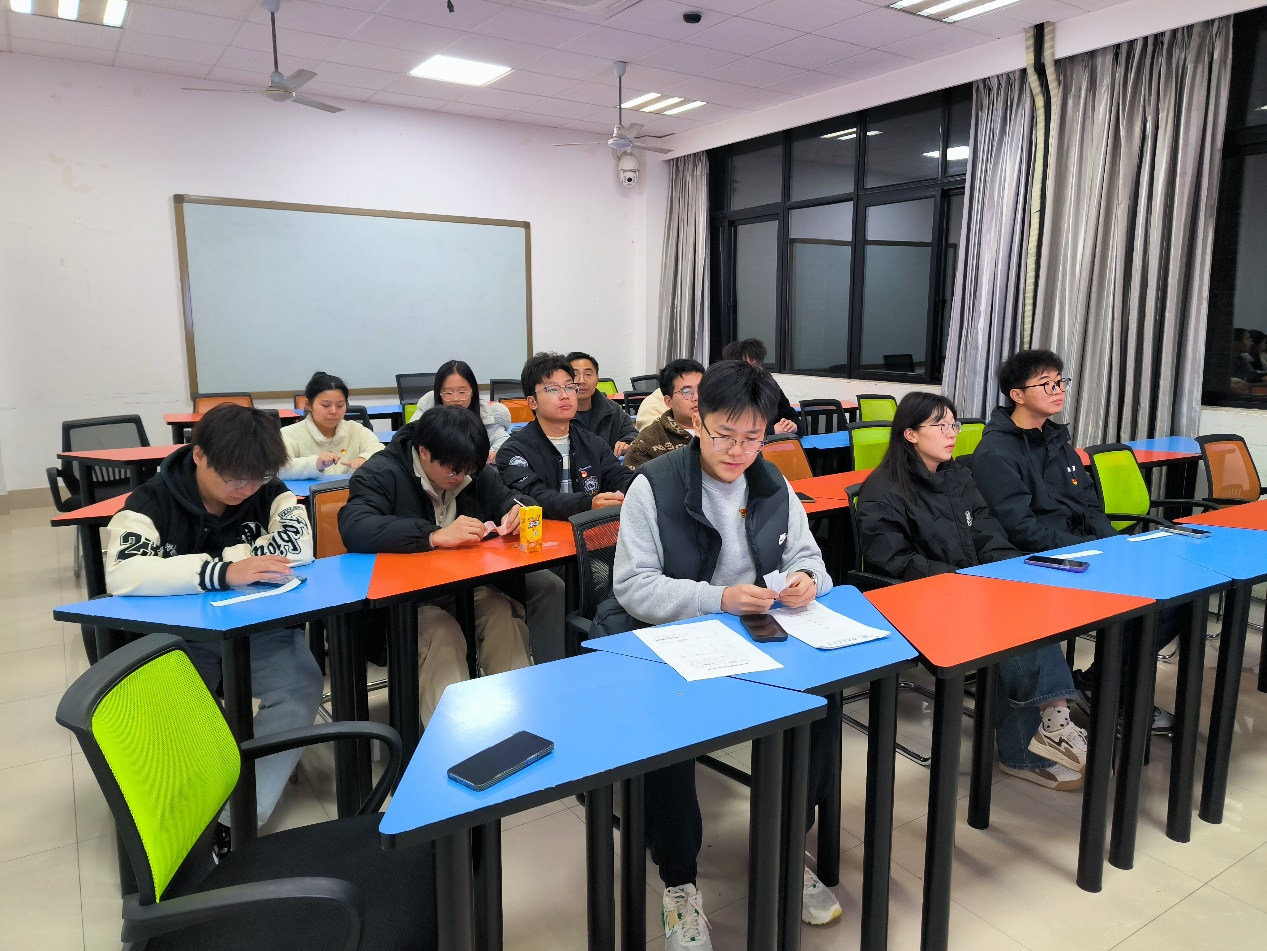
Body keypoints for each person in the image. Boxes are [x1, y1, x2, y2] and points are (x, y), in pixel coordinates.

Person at [595, 359, 842, 949]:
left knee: (821, 708)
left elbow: (809, 557)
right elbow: (633, 586)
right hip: (678, 633)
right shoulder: (653, 485)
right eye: (724, 434)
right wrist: (718, 598)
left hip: (757, 631)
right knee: (667, 733)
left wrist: (807, 580)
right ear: (697, 423)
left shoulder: (772, 482)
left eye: (752, 437)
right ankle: (679, 881)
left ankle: (787, 845)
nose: (738, 451)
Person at [104, 403, 323, 847]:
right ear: (200, 455)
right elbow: (123, 573)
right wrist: (221, 572)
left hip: (261, 631)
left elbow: (299, 547)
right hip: (183, 638)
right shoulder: (151, 501)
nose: (246, 490)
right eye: (234, 479)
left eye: (257, 478)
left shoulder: (269, 488)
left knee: (301, 685)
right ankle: (188, 810)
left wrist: (213, 564)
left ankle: (234, 820)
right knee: (177, 704)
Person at [858, 393, 1088, 790]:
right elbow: (894, 561)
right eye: (941, 426)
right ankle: (1043, 732)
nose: (952, 434)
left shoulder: (958, 476)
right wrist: (961, 580)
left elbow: (988, 533)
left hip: (969, 588)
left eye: (954, 425)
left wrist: (1006, 573)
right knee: (1010, 623)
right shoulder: (883, 490)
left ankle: (1048, 727)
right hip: (917, 598)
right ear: (910, 434)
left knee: (1027, 606)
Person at [972, 349, 1174, 732]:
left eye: (1060, 381)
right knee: (1151, 602)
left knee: (1175, 597)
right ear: (1017, 394)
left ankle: (1102, 683)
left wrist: (1115, 546)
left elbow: (1090, 505)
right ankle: (1111, 693)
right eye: (1046, 384)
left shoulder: (1056, 440)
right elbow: (1022, 529)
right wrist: (1091, 553)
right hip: (1037, 560)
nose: (1058, 390)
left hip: (1080, 552)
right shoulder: (995, 452)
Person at [339, 406, 563, 719]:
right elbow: (355, 527)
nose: (460, 477)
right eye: (452, 471)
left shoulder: (468, 467)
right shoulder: (381, 472)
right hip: (403, 598)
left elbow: (508, 498)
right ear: (424, 452)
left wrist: (519, 509)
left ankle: (520, 720)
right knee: (441, 632)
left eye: (467, 470)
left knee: (501, 613)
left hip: (460, 586)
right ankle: (453, 737)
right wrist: (433, 535)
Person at [496, 352, 635, 519]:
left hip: (590, 532)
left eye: (569, 387)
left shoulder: (594, 444)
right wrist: (587, 504)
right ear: (532, 402)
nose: (565, 395)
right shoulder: (513, 451)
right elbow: (534, 497)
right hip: (541, 532)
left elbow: (620, 478)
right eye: (553, 389)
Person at [281, 371, 383, 479]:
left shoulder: (356, 430)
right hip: (309, 491)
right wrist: (315, 464)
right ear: (308, 404)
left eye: (340, 405)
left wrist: (365, 458)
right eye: (325, 405)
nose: (333, 411)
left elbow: (381, 452)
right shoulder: (289, 434)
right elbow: (278, 468)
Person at [412, 360, 513, 462]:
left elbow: (505, 441)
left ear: (472, 391)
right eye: (448, 393)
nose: (456, 399)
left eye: (462, 392)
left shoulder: (484, 414)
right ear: (439, 394)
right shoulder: (425, 413)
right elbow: (408, 442)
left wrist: (494, 452)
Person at [624, 358, 704, 470]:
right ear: (668, 401)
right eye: (686, 392)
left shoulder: (723, 430)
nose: (696, 397)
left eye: (701, 389)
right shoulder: (649, 441)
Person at [720, 338, 799, 435]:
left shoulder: (770, 387)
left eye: (757, 365)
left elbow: (793, 417)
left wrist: (793, 427)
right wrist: (771, 431)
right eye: (747, 366)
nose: (754, 371)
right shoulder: (727, 393)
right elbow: (730, 431)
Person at [567, 351, 638, 456]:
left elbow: (633, 434)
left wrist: (626, 443)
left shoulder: (612, 409)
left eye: (588, 374)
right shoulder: (557, 413)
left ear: (597, 379)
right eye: (574, 374)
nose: (581, 381)